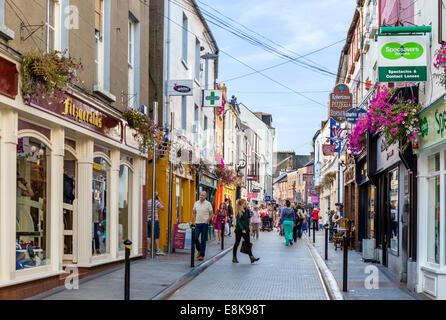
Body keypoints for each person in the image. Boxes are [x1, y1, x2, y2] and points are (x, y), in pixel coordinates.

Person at [232, 199, 260, 263]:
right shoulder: (238, 210)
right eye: (244, 203)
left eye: (245, 203)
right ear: (240, 204)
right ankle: (234, 257)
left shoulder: (247, 210)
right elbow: (238, 221)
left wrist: (250, 229)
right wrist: (242, 229)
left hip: (246, 229)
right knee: (237, 243)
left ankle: (251, 257)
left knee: (248, 243)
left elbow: (248, 219)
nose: (245, 204)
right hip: (239, 229)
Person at [191, 191, 214, 261]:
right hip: (197, 223)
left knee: (203, 240)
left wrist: (207, 221)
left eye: (203, 195)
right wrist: (191, 221)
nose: (201, 196)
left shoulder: (208, 204)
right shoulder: (196, 203)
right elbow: (193, 213)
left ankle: (202, 255)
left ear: (205, 196)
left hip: (204, 224)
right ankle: (199, 250)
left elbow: (211, 214)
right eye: (201, 195)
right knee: (195, 238)